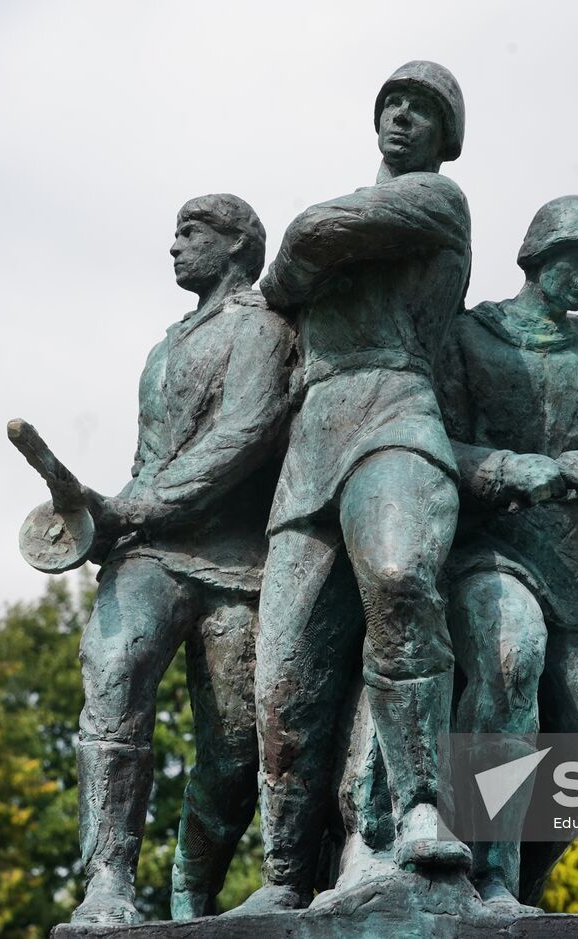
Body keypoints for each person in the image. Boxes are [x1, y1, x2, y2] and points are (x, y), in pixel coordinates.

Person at [235, 61, 473, 914]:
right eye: (392, 105)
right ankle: (285, 874)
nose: (402, 119)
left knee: (402, 580)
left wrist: (300, 250)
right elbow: (288, 277)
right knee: (283, 664)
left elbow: (306, 243)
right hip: (313, 439)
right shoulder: (373, 218)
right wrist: (297, 258)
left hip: (397, 414)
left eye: (423, 111)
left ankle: (418, 805)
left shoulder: (440, 203)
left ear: (448, 136)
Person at [435, 195, 578, 910]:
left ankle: (522, 884)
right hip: (483, 550)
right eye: (576, 259)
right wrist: (509, 469)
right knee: (513, 658)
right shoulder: (468, 338)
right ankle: (486, 873)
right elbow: (432, 448)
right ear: (537, 256)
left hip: (572, 574)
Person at [70, 194, 296, 924]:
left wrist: (136, 506)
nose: (173, 247)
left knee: (233, 758)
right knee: (113, 671)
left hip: (236, 566)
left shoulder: (262, 329)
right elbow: (150, 460)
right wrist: (107, 522)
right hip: (152, 555)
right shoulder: (162, 349)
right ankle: (107, 881)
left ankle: (188, 892)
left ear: (236, 246)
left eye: (189, 233)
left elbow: (243, 436)